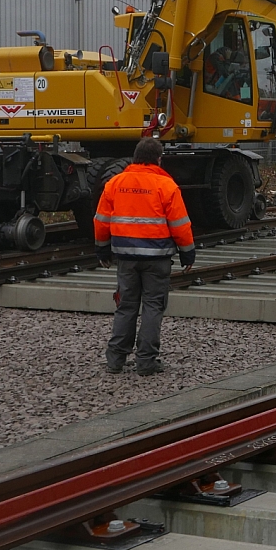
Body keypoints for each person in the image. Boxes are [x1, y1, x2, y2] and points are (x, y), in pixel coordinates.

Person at [95, 138, 195, 376]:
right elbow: (180, 224)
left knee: (126, 306)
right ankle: (146, 362)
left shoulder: (115, 183)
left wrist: (102, 249)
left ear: (135, 157)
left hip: (125, 257)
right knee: (152, 306)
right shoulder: (166, 186)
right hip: (157, 258)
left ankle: (116, 359)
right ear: (158, 159)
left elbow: (101, 221)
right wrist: (187, 252)